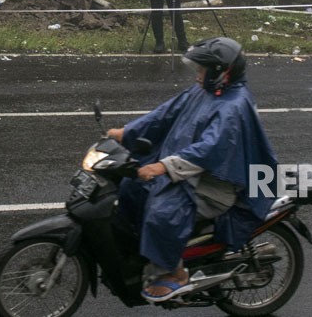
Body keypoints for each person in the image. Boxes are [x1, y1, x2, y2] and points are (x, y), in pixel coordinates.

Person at [106, 37, 278, 303]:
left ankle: (174, 273)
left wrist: (162, 166)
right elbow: (165, 113)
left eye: (201, 70)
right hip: (188, 169)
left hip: (213, 183)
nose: (197, 75)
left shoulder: (233, 106)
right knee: (130, 187)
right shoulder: (207, 90)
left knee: (161, 213)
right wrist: (128, 132)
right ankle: (146, 251)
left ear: (222, 72)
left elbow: (210, 150)